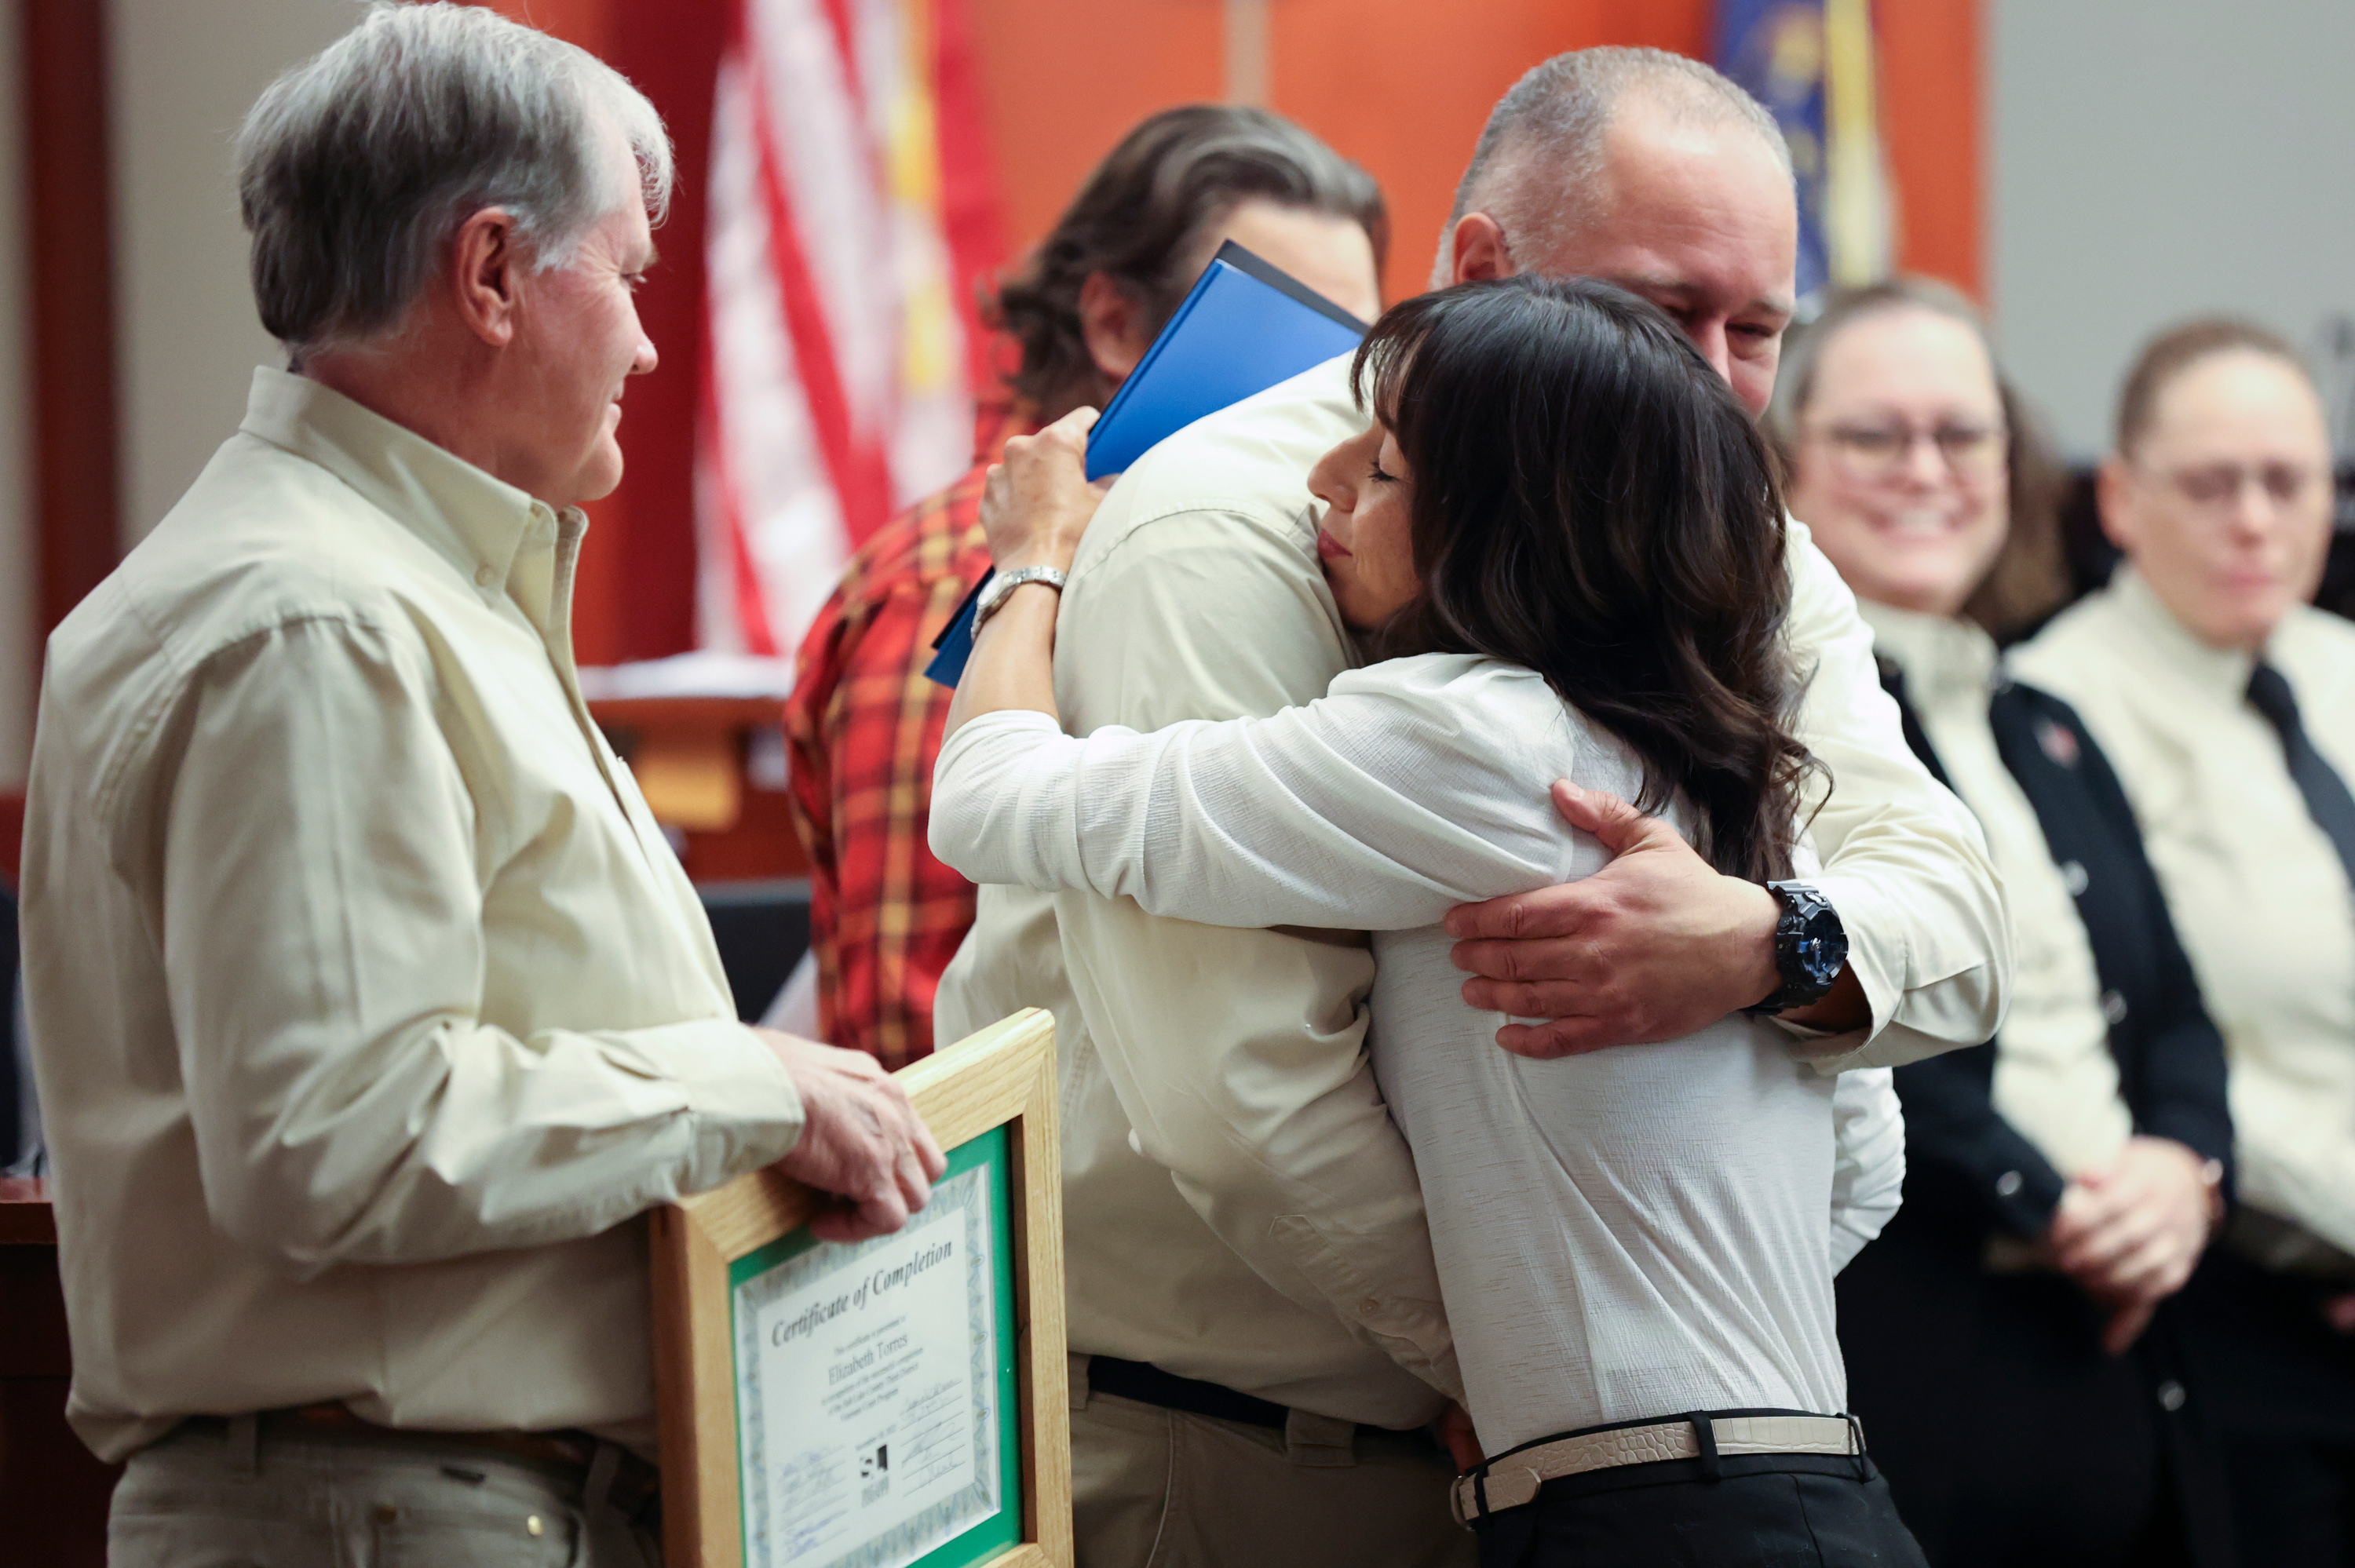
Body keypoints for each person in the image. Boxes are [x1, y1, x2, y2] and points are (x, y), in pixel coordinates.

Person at [934, 46, 2010, 1568]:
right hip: (1260, 1455)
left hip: (1596, 1471)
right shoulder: (1231, 526)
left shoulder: (1729, 538)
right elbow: (1246, 1106)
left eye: (1756, 328)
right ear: (1484, 268)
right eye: (1659, 312)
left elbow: (1957, 936)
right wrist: (1562, 1360)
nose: (1707, 379)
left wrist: (1774, 948)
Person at [16, 9, 944, 1563]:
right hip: (389, 1507)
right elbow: (337, 1135)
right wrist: (754, 1088)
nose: (652, 341)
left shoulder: (395, 589)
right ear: (495, 273)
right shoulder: (316, 618)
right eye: (632, 272)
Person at [1769, 279, 2237, 1567]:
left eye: (1963, 434)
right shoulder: (1765, 720)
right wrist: (2060, 1199)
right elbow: (1827, 1005)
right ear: (1788, 462)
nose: (1928, 470)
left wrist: (2186, 1172)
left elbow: (2181, 1009)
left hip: (2116, 1355)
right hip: (1909, 1350)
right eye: (1876, 435)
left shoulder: (2038, 715)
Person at [783, 105, 1386, 1068]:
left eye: (1350, 357)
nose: (1321, 406)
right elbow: (915, 1040)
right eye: (1285, 340)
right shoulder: (939, 586)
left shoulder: (1295, 552)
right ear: (1112, 321)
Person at [2014, 318, 2355, 1567]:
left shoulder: (2341, 668)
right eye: (2213, 485)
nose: (2258, 520)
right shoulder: (2052, 714)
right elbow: (2154, 1039)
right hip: (2235, 1316)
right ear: (2118, 497)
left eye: (2291, 480)